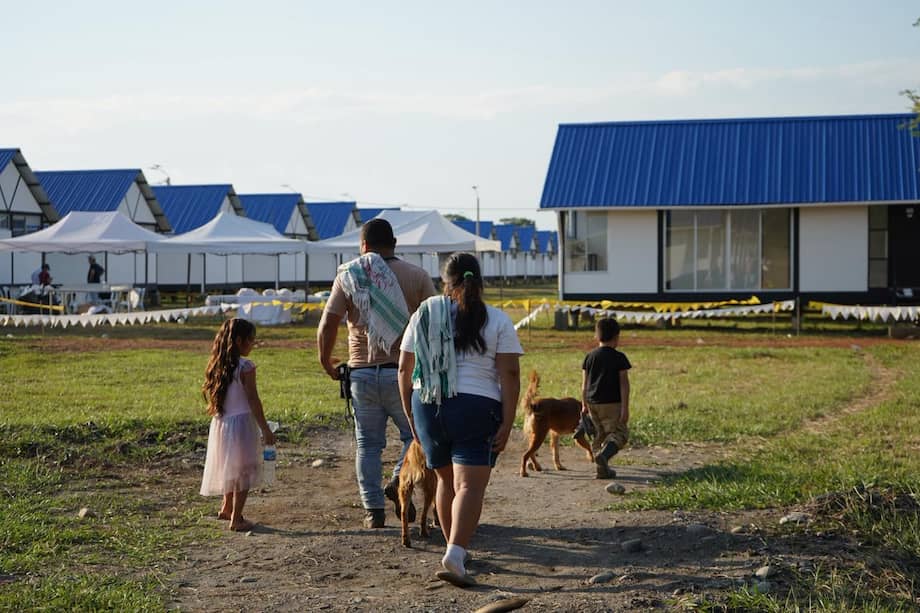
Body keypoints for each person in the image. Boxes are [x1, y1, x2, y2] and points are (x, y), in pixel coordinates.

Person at [398, 252, 522, 587]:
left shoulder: (424, 315)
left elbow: (404, 371)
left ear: (444, 283)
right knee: (469, 485)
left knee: (446, 481)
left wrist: (412, 416)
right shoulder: (497, 320)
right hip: (476, 408)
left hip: (428, 405)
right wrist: (508, 423)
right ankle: (455, 552)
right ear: (479, 283)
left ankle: (455, 548)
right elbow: (509, 374)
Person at [317, 219, 436, 529]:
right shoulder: (418, 276)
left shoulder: (349, 275)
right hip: (405, 373)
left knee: (368, 445)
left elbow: (328, 323)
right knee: (415, 435)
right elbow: (434, 324)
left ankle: (373, 512)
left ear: (363, 246)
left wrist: (326, 360)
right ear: (395, 242)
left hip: (362, 373)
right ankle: (399, 478)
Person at [200, 318, 276, 531]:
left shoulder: (218, 365)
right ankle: (237, 518)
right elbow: (253, 399)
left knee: (229, 467)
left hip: (222, 424)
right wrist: (265, 429)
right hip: (242, 424)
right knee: (243, 470)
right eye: (251, 340)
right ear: (240, 340)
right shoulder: (246, 366)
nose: (253, 344)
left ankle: (226, 507)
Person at [581, 317, 631, 479]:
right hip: (612, 403)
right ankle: (604, 457)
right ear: (617, 337)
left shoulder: (589, 357)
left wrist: (584, 405)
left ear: (597, 336)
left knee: (599, 435)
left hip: (592, 402)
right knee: (619, 433)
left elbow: (584, 384)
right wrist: (625, 408)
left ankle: (602, 469)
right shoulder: (619, 358)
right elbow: (624, 384)